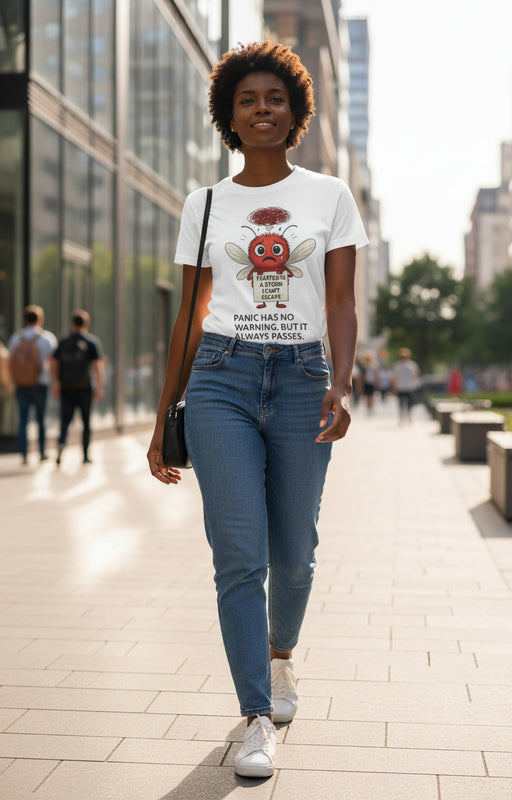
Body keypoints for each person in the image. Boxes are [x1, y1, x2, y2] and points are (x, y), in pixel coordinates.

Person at [147, 41, 368, 779]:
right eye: (247, 100)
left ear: (295, 110)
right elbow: (190, 314)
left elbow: (341, 300)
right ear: (229, 115)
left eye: (275, 98)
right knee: (239, 554)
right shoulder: (204, 204)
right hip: (220, 379)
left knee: (294, 555)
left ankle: (280, 658)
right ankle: (254, 716)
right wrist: (163, 416)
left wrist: (341, 383)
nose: (262, 109)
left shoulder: (329, 195)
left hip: (304, 377)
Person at [50, 310, 104, 465]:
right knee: (86, 422)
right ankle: (85, 455)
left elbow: (53, 362)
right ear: (86, 324)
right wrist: (99, 387)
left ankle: (60, 449)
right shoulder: (91, 342)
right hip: (85, 388)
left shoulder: (64, 342)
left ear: (72, 324)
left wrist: (56, 382)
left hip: (66, 388)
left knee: (65, 421)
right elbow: (97, 366)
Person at [7, 305, 57, 464]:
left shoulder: (16, 338)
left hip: (21, 384)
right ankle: (41, 453)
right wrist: (55, 382)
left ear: (24, 320)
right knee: (41, 419)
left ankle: (24, 454)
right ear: (40, 320)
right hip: (41, 383)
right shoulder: (47, 338)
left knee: (23, 420)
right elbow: (53, 363)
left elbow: (10, 362)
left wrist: (11, 382)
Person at [392, 347, 420, 422]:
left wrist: (394, 387)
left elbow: (395, 378)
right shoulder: (412, 365)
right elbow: (414, 376)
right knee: (408, 403)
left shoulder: (398, 365)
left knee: (402, 403)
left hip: (403, 386)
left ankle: (403, 416)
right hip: (408, 386)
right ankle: (407, 415)